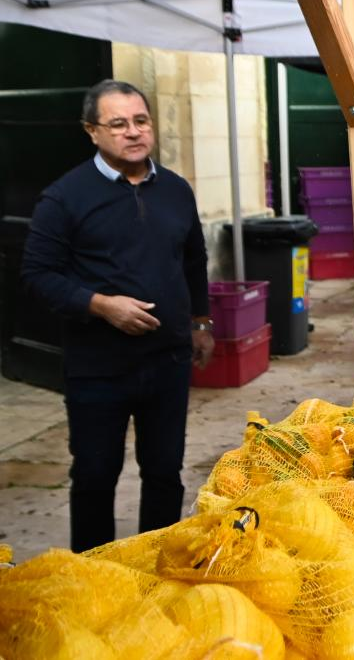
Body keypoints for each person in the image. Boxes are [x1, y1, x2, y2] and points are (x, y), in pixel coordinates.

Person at [21, 79, 214, 553]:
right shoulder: (64, 198)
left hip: (166, 359)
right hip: (98, 365)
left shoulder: (174, 190)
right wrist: (101, 305)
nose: (133, 132)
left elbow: (193, 260)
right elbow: (37, 273)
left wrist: (201, 322)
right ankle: (92, 571)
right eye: (118, 123)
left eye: (141, 121)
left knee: (165, 470)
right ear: (92, 131)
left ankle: (154, 565)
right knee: (94, 473)